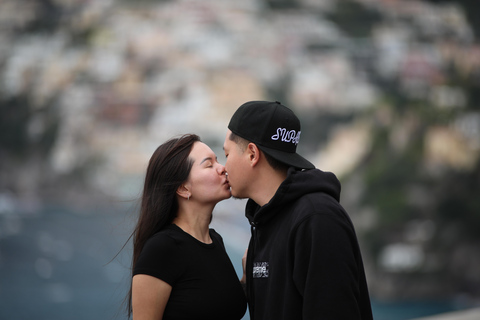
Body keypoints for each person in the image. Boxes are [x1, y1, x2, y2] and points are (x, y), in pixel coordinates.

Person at [223, 101, 374, 320]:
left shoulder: (317, 219)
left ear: (252, 154)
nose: (223, 167)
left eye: (227, 155)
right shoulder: (266, 220)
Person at [127, 134, 247, 320]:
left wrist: (247, 279)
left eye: (218, 161)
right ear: (183, 188)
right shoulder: (162, 248)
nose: (222, 168)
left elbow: (219, 305)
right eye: (209, 164)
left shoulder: (215, 240)